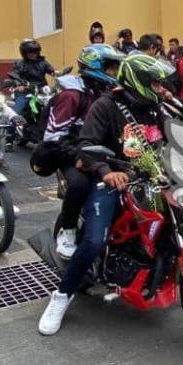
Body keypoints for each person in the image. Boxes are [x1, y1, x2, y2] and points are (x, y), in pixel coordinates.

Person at [38, 54, 175, 336]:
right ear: (139, 82)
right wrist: (105, 170)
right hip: (114, 180)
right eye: (156, 83)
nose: (161, 88)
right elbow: (86, 145)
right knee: (93, 240)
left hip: (153, 180)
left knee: (177, 222)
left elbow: (177, 133)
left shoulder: (155, 108)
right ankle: (62, 296)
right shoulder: (107, 105)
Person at [32, 44, 125, 259]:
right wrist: (80, 156)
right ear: (95, 67)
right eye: (111, 68)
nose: (115, 74)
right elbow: (53, 137)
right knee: (80, 184)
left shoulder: (106, 93)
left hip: (97, 151)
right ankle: (68, 230)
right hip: (66, 153)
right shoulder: (72, 96)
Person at [11, 39, 55, 114]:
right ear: (24, 53)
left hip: (42, 91)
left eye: (34, 51)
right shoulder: (19, 63)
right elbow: (15, 74)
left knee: (55, 106)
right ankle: (14, 122)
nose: (32, 54)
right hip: (25, 91)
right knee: (17, 112)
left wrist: (58, 74)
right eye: (29, 52)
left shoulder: (43, 62)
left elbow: (52, 71)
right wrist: (19, 85)